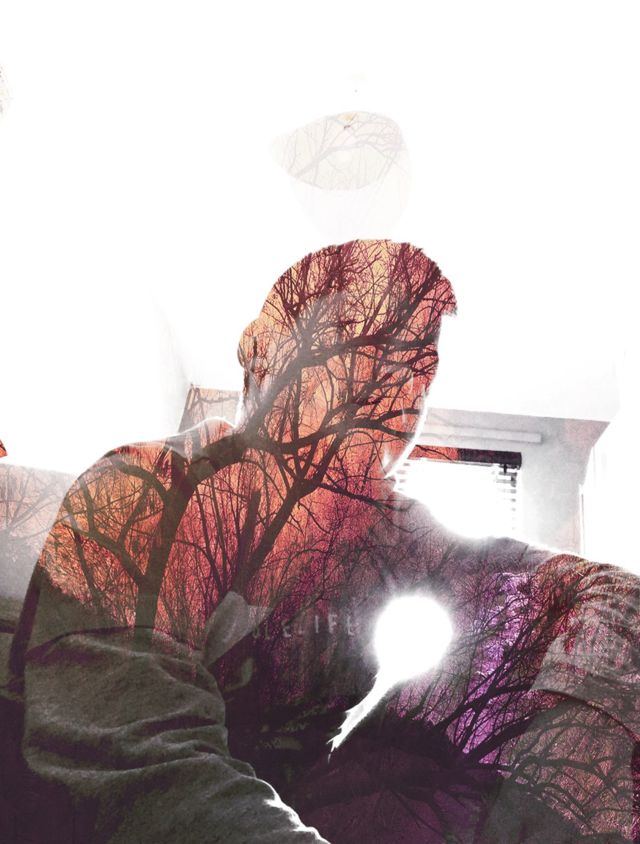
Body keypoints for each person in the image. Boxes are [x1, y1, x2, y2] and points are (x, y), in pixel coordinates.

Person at [7, 238, 640, 842]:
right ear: (261, 349)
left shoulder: (392, 534)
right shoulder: (143, 490)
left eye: (415, 378)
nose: (389, 397)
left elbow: (557, 585)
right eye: (352, 349)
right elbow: (137, 761)